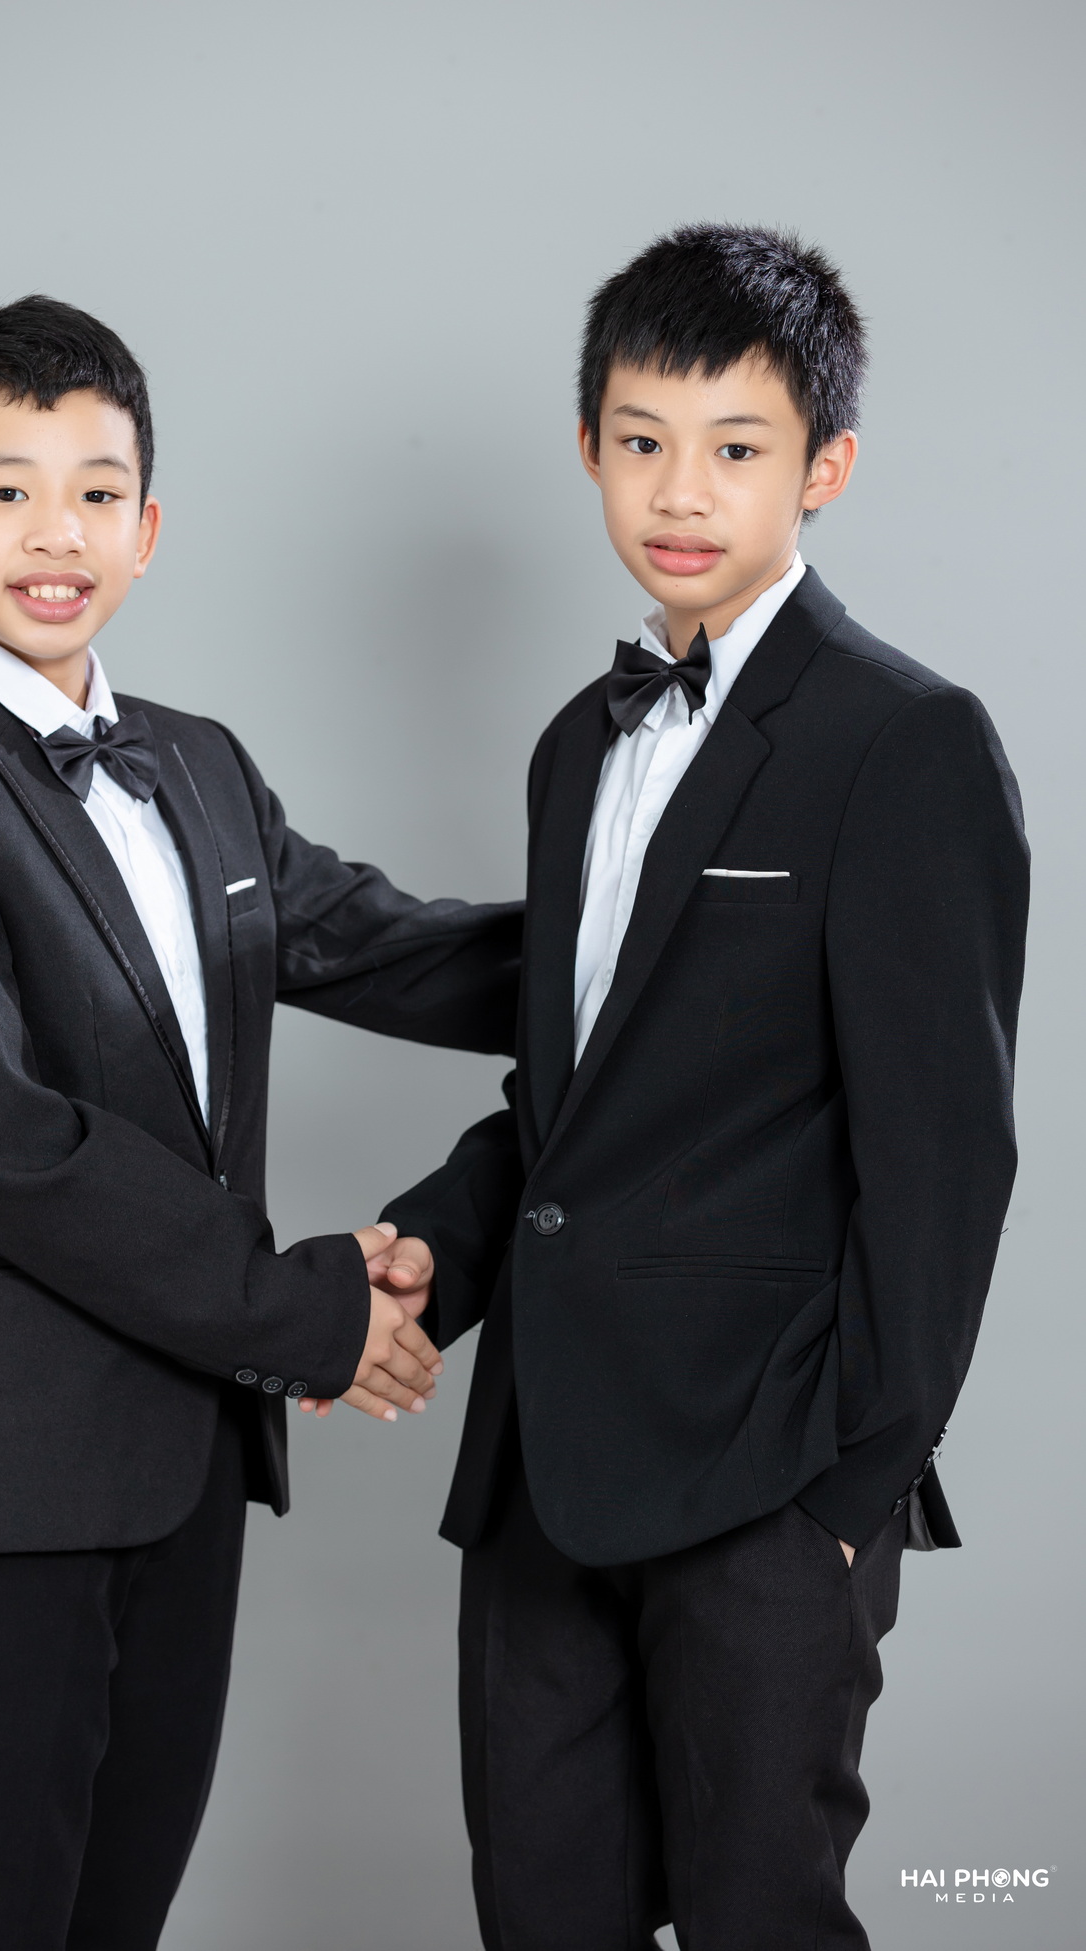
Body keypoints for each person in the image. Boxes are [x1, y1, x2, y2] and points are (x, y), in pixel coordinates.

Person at [0, 295, 520, 1951]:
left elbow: (382, 944)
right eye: (5, 491)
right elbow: (2, 1146)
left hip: (187, 1464)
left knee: (117, 1915)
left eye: (96, 491)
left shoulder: (196, 764)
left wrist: (656, 957)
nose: (56, 533)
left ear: (147, 526)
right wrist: (309, 1313)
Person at [359, 224, 1030, 1949]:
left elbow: (944, 1161)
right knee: (540, 1917)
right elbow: (576, 1096)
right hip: (541, 1473)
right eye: (642, 440)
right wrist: (441, 1246)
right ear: (587, 446)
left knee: (757, 1924)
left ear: (824, 467)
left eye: (736, 448)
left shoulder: (903, 741)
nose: (680, 490)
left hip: (763, 1478)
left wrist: (847, 1496)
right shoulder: (578, 746)